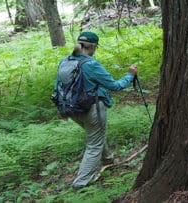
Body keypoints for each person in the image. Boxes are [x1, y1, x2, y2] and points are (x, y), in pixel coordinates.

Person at [59, 31, 137, 190]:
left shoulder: (65, 61)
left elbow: (59, 88)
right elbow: (115, 86)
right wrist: (130, 75)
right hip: (92, 108)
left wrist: (61, 110)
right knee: (94, 144)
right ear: (93, 46)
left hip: (72, 110)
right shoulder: (91, 64)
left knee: (96, 135)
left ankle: (108, 160)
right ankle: (80, 183)